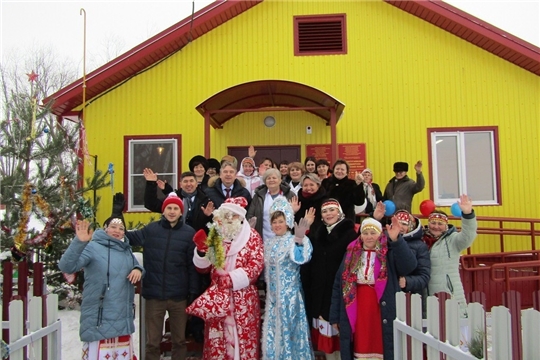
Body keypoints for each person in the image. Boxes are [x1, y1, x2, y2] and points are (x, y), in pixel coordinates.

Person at [329, 216, 418, 360]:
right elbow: (338, 285)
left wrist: (396, 241)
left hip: (381, 307)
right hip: (356, 307)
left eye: (373, 233)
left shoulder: (388, 252)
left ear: (380, 234)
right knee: (358, 345)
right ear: (361, 235)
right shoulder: (350, 254)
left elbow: (409, 266)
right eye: (365, 233)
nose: (369, 237)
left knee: (382, 344)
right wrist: (334, 316)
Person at [124, 192, 199, 360]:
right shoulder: (151, 230)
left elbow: (191, 265)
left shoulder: (189, 233)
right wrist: (117, 215)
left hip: (179, 297)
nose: (172, 211)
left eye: (175, 208)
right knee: (153, 342)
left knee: (179, 341)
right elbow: (126, 237)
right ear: (163, 211)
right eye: (169, 208)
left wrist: (192, 291)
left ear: (181, 212)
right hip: (154, 296)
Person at [187, 197, 264, 359]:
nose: (229, 219)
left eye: (233, 215)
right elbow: (204, 267)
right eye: (226, 215)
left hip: (243, 299)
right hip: (219, 299)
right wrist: (201, 253)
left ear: (241, 217)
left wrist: (232, 279)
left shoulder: (252, 237)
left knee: (243, 338)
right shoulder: (216, 236)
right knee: (218, 340)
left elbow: (256, 265)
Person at [58, 216, 143, 360]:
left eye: (121, 228)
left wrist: (138, 269)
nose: (117, 231)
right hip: (100, 316)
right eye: (113, 227)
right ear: (105, 229)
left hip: (122, 316)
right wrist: (79, 243)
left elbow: (137, 265)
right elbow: (66, 266)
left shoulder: (126, 250)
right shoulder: (92, 247)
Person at [302, 199, 357, 359]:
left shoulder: (349, 233)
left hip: (338, 291)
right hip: (319, 289)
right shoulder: (317, 232)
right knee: (325, 340)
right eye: (325, 211)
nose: (328, 214)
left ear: (339, 212)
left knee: (339, 338)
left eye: (332, 210)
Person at [261, 197, 314, 360]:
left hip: (290, 299)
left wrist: (298, 240)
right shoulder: (268, 243)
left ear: (288, 221)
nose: (277, 225)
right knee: (272, 334)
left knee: (290, 334)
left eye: (280, 221)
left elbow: (301, 259)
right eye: (274, 221)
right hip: (273, 299)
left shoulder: (296, 239)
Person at [422, 194, 477, 317]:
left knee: (453, 328)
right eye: (433, 222)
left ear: (446, 226)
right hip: (425, 295)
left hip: (449, 293)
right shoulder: (421, 240)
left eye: (440, 224)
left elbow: (468, 236)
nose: (436, 226)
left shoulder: (453, 240)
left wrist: (468, 214)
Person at [143, 169, 214, 231]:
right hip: (175, 238)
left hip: (197, 241)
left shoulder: (206, 200)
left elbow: (212, 225)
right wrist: (151, 183)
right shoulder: (173, 197)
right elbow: (151, 204)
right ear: (180, 184)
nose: (189, 184)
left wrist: (208, 216)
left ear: (196, 184)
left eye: (191, 181)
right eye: (185, 181)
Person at [246, 168, 296, 241]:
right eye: (268, 178)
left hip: (285, 239)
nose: (271, 180)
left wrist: (294, 211)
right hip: (263, 237)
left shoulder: (289, 195)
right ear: (265, 181)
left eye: (274, 178)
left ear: (280, 180)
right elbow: (250, 215)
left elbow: (295, 218)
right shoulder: (258, 196)